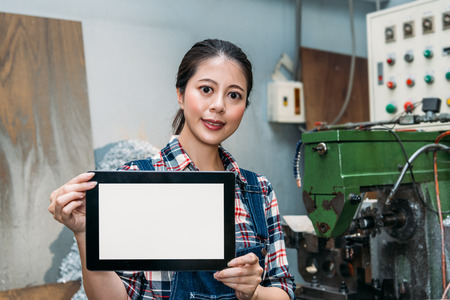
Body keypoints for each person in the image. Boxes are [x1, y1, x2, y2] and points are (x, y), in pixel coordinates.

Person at [49, 39, 296, 300]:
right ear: (180, 93)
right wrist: (86, 234)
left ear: (244, 106)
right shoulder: (135, 182)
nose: (219, 106)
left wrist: (255, 293)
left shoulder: (257, 190)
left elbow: (283, 290)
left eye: (234, 95)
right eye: (206, 89)